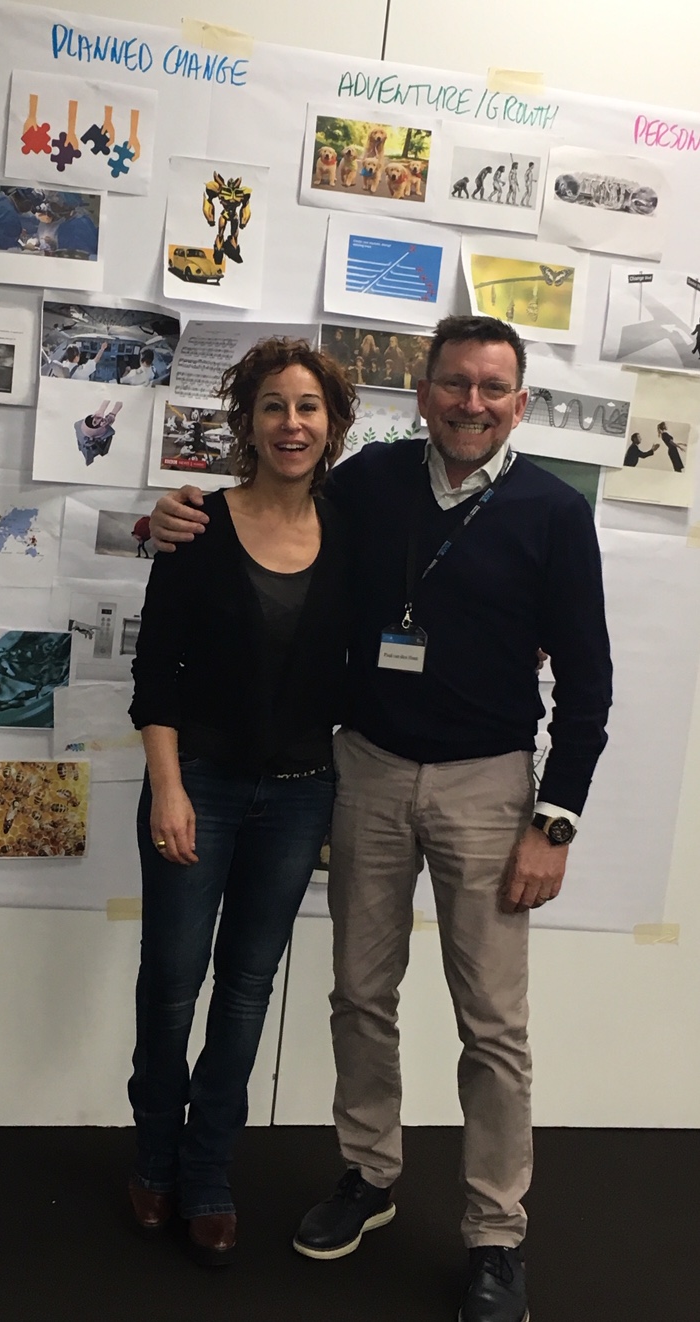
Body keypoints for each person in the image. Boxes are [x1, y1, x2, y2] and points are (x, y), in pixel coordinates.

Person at [149, 315, 613, 1322]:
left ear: (519, 403)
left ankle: (495, 1233)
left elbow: (587, 682)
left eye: (492, 388)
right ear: (424, 392)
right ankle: (369, 1172)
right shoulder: (367, 482)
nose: (471, 404)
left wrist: (554, 821)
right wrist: (174, 512)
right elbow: (266, 512)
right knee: (360, 993)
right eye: (454, 384)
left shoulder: (552, 512)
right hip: (363, 767)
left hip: (489, 786)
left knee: (493, 1024)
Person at [127, 338, 355, 1268]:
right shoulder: (196, 526)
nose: (291, 423)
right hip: (199, 786)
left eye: (308, 407)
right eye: (273, 406)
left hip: (300, 797)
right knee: (172, 983)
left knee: (248, 989)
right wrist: (168, 789)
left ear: (333, 424)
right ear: (248, 423)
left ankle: (209, 1167)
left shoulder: (353, 536)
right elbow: (155, 672)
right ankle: (154, 1154)